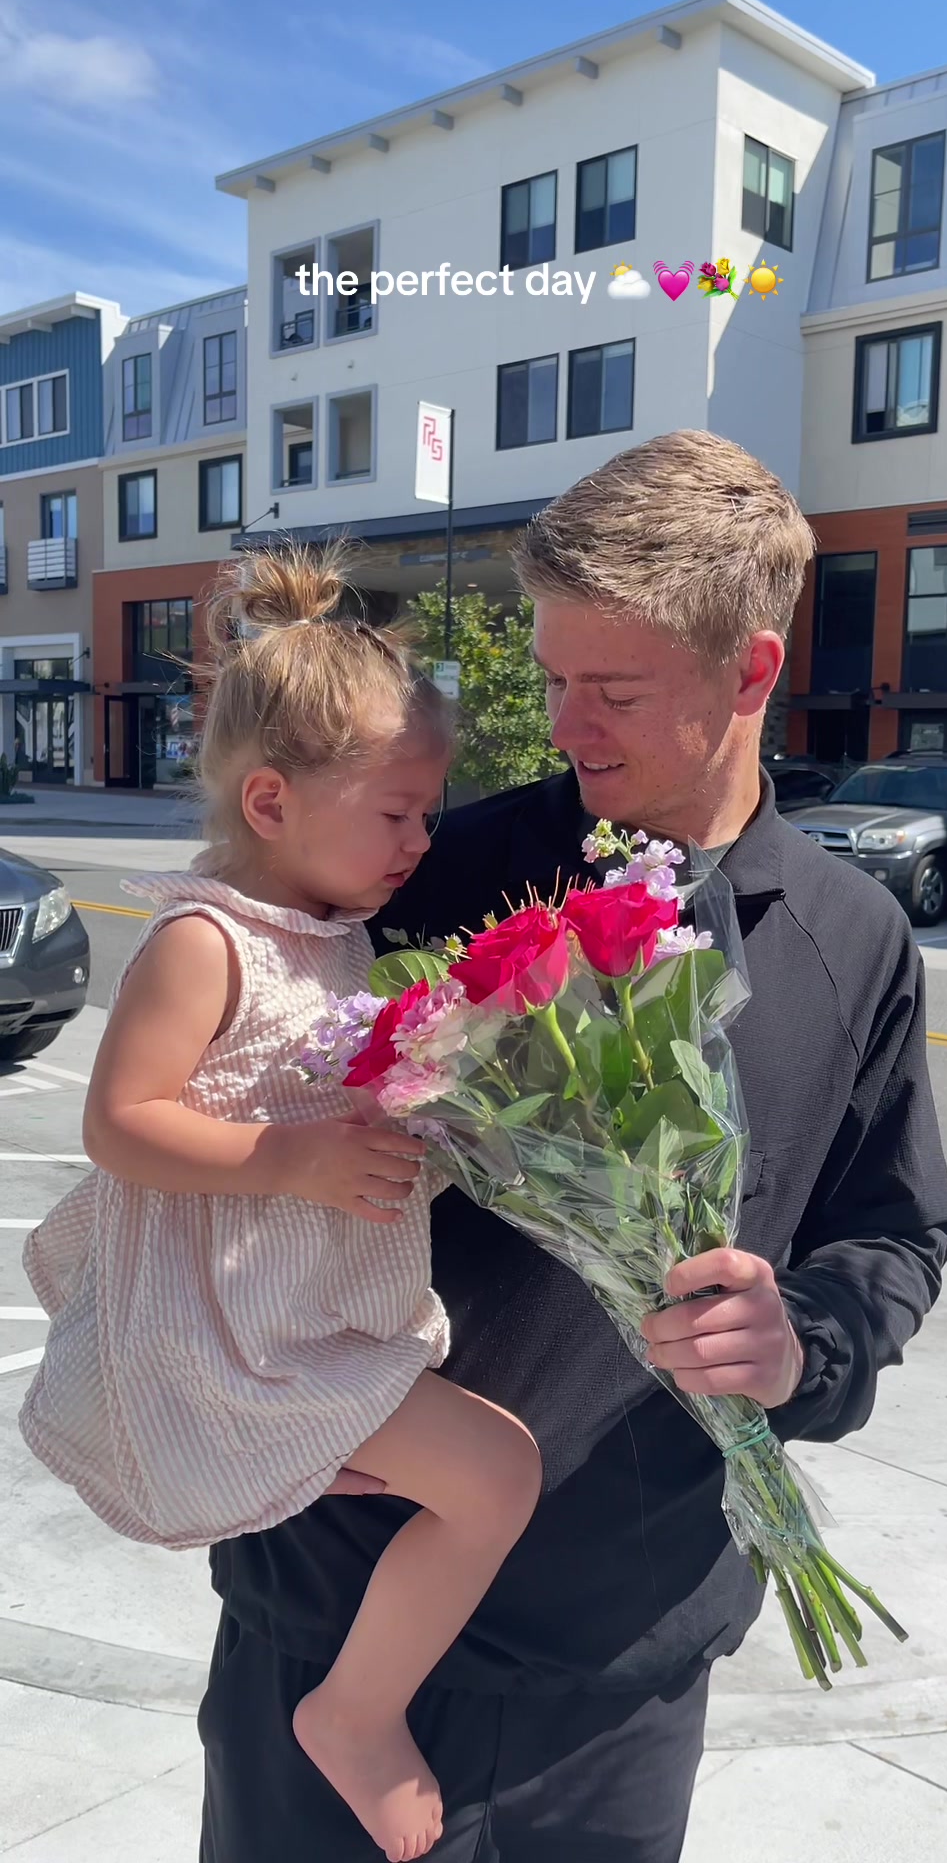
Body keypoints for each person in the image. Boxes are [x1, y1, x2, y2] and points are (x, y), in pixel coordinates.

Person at [200, 431, 947, 1863]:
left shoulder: (853, 941)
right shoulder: (426, 876)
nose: (565, 724)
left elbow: (897, 1230)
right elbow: (226, 1141)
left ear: (751, 671)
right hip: (331, 1617)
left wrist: (801, 1345)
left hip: (620, 1666)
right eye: (553, 679)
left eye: (612, 690)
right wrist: (247, 1402)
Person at [19, 547, 543, 1863]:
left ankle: (352, 1693)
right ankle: (354, 1715)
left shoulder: (338, 934)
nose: (423, 842)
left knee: (480, 1473)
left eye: (429, 813)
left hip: (301, 1317)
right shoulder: (206, 942)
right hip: (233, 1335)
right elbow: (118, 1120)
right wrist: (290, 1162)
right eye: (400, 813)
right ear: (270, 799)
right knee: (497, 1474)